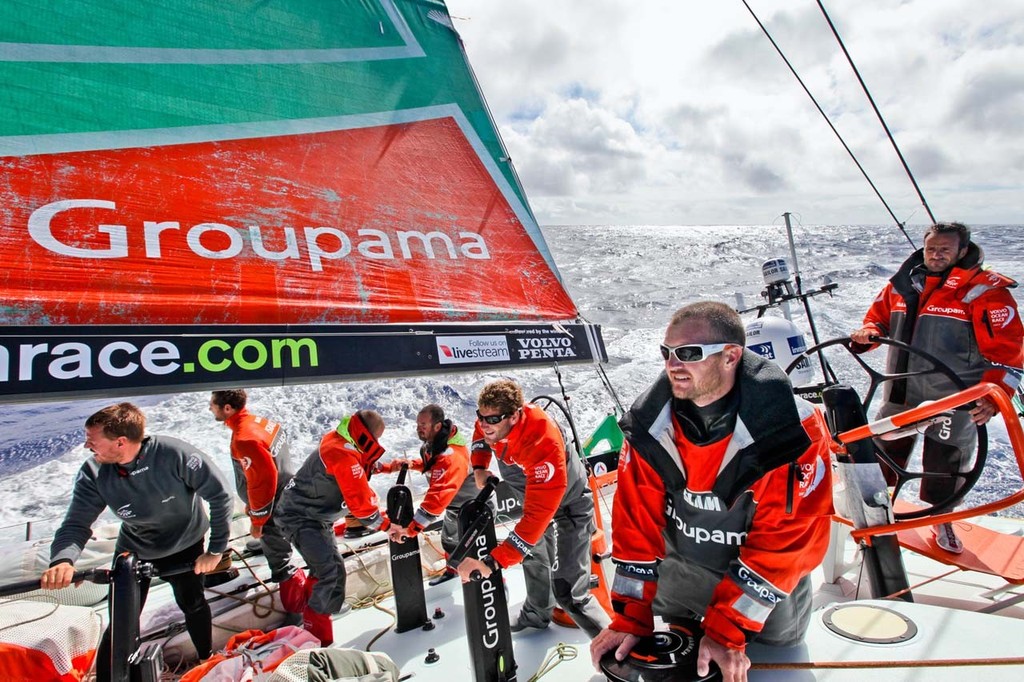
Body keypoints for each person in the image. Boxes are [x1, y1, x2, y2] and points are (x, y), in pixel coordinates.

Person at [590, 302, 834, 682]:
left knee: (780, 672)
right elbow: (635, 524)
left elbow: (787, 541)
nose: (673, 364)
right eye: (667, 353)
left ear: (730, 356)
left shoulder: (792, 429)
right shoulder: (649, 426)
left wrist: (726, 630)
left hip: (764, 594)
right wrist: (630, 614)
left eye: (688, 354)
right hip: (680, 583)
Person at [850, 221, 1024, 554]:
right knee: (883, 456)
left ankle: (942, 520)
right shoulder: (901, 285)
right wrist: (867, 332)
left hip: (953, 399)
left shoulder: (985, 292)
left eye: (945, 249)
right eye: (931, 248)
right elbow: (877, 320)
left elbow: (1008, 350)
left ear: (963, 250)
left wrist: (993, 395)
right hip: (900, 392)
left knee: (946, 465)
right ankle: (872, 518)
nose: (936, 254)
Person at [41, 403, 233, 681]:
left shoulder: (175, 454)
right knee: (122, 621)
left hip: (186, 544)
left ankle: (206, 660)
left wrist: (215, 550)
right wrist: (62, 559)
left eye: (92, 441)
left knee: (192, 603)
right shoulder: (94, 473)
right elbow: (76, 523)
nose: (86, 446)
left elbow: (220, 496)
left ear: (120, 442)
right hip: (134, 551)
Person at [455, 379, 610, 638]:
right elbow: (479, 436)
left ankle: (618, 661)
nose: (484, 425)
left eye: (491, 420)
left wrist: (492, 563)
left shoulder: (542, 442)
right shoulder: (491, 421)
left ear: (515, 416)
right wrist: (480, 465)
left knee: (569, 591)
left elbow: (539, 514)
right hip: (531, 491)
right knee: (533, 553)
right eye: (480, 416)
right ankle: (537, 615)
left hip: (568, 504)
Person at [275, 410, 389, 644]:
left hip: (316, 516)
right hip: (301, 517)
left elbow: (358, 473)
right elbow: (363, 509)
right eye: (377, 438)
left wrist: (390, 467)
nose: (378, 444)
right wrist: (389, 527)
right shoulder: (341, 453)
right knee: (330, 572)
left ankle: (318, 613)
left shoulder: (344, 440)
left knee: (331, 568)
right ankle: (315, 636)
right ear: (367, 436)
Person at [209, 390, 305, 611]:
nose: (210, 408)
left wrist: (258, 519)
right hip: (284, 492)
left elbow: (264, 480)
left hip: (272, 506)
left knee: (280, 560)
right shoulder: (261, 423)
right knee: (273, 541)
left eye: (213, 404)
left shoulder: (244, 438)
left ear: (227, 408)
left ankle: (296, 609)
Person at [382, 403, 478, 586]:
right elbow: (434, 464)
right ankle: (453, 571)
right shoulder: (433, 445)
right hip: (454, 507)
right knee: (449, 541)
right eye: (418, 425)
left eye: (423, 425)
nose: (419, 429)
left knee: (476, 549)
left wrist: (411, 529)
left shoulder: (452, 455)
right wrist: (413, 464)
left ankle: (492, 583)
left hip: (474, 507)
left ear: (437, 426)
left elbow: (438, 496)